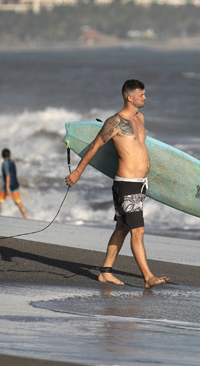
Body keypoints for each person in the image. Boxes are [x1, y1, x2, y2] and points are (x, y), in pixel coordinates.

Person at [65, 79, 169, 289]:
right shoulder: (114, 122)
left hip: (139, 184)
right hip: (126, 184)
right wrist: (77, 172)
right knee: (137, 231)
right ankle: (148, 277)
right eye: (141, 94)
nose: (145, 97)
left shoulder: (140, 118)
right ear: (129, 97)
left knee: (122, 229)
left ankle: (105, 272)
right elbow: (94, 147)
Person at [0, 148, 29, 219]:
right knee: (18, 202)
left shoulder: (5, 164)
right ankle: (26, 217)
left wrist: (7, 188)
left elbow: (8, 175)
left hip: (9, 186)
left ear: (2, 156)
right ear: (10, 155)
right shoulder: (12, 162)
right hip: (15, 185)